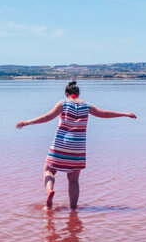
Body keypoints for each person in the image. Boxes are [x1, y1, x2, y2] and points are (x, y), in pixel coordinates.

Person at [15, 80, 136, 209]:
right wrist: (124, 114)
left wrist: (28, 122)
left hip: (60, 144)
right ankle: (73, 210)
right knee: (73, 180)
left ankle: (50, 190)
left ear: (66, 93)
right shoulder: (87, 106)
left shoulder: (63, 104)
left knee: (48, 170)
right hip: (77, 148)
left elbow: (47, 117)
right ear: (78, 93)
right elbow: (104, 114)